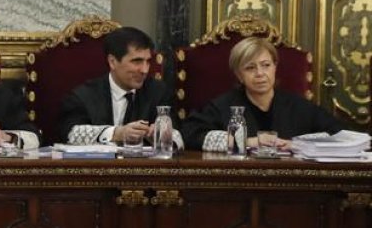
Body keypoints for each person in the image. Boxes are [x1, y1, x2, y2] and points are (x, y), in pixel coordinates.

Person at [182, 36, 343, 151]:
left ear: (275, 67)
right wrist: (247, 141)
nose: (260, 73)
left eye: (266, 65)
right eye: (250, 68)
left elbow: (339, 134)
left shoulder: (298, 105)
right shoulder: (222, 106)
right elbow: (190, 134)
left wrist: (297, 145)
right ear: (239, 75)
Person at [57, 26, 182, 147]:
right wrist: (117, 133)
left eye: (148, 61)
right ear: (112, 62)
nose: (145, 70)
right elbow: (70, 133)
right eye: (137, 61)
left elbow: (179, 137)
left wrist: (162, 134)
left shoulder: (158, 92)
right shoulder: (84, 96)